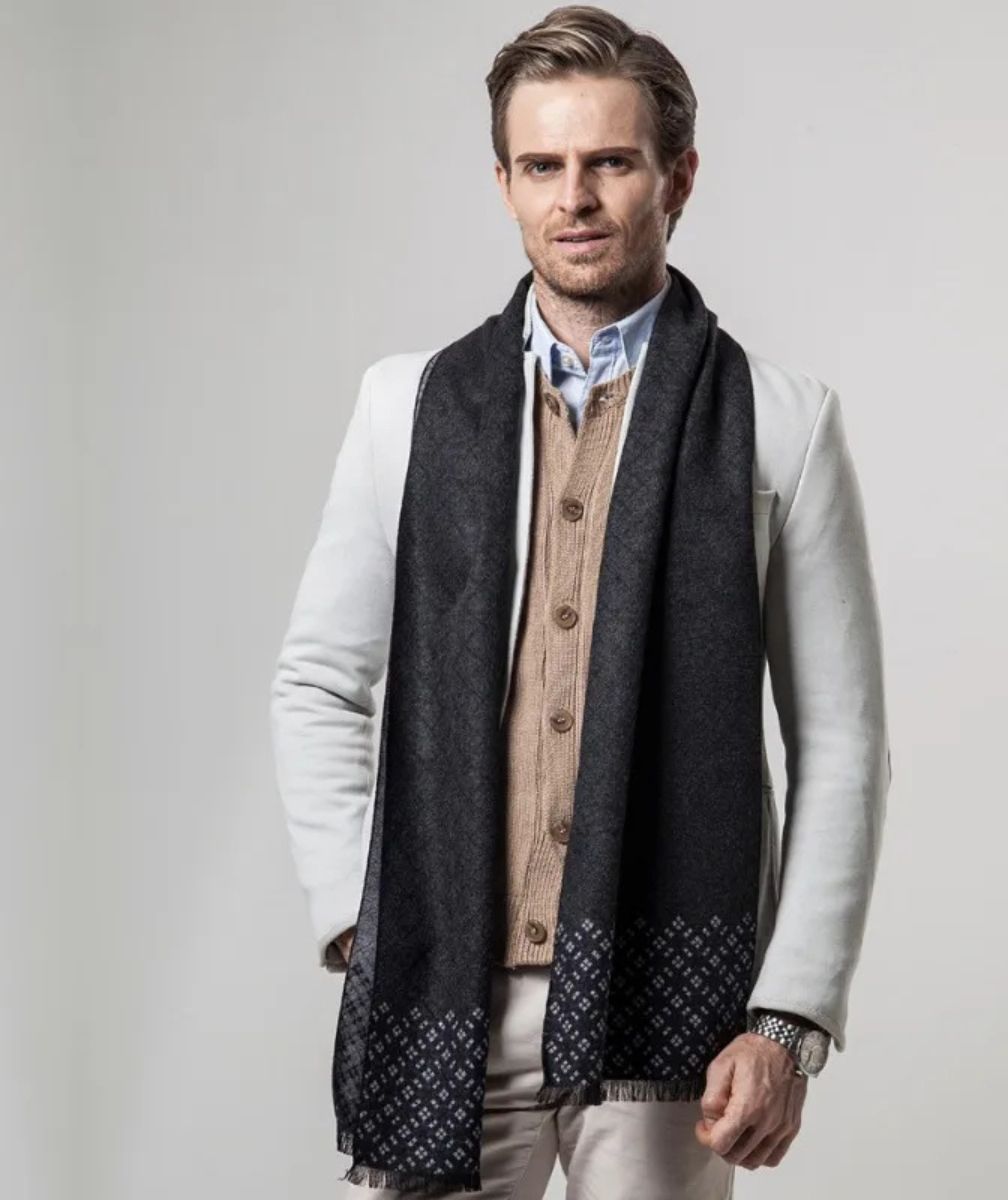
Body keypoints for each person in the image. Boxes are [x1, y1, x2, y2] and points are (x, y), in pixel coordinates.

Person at [270, 6, 891, 1197]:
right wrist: (363, 916)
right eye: (542, 166)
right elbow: (319, 679)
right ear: (504, 184)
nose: (577, 199)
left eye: (611, 161)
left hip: (672, 1007)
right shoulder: (409, 408)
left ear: (678, 177)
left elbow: (842, 742)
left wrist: (789, 1015)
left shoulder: (781, 423)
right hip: (442, 985)